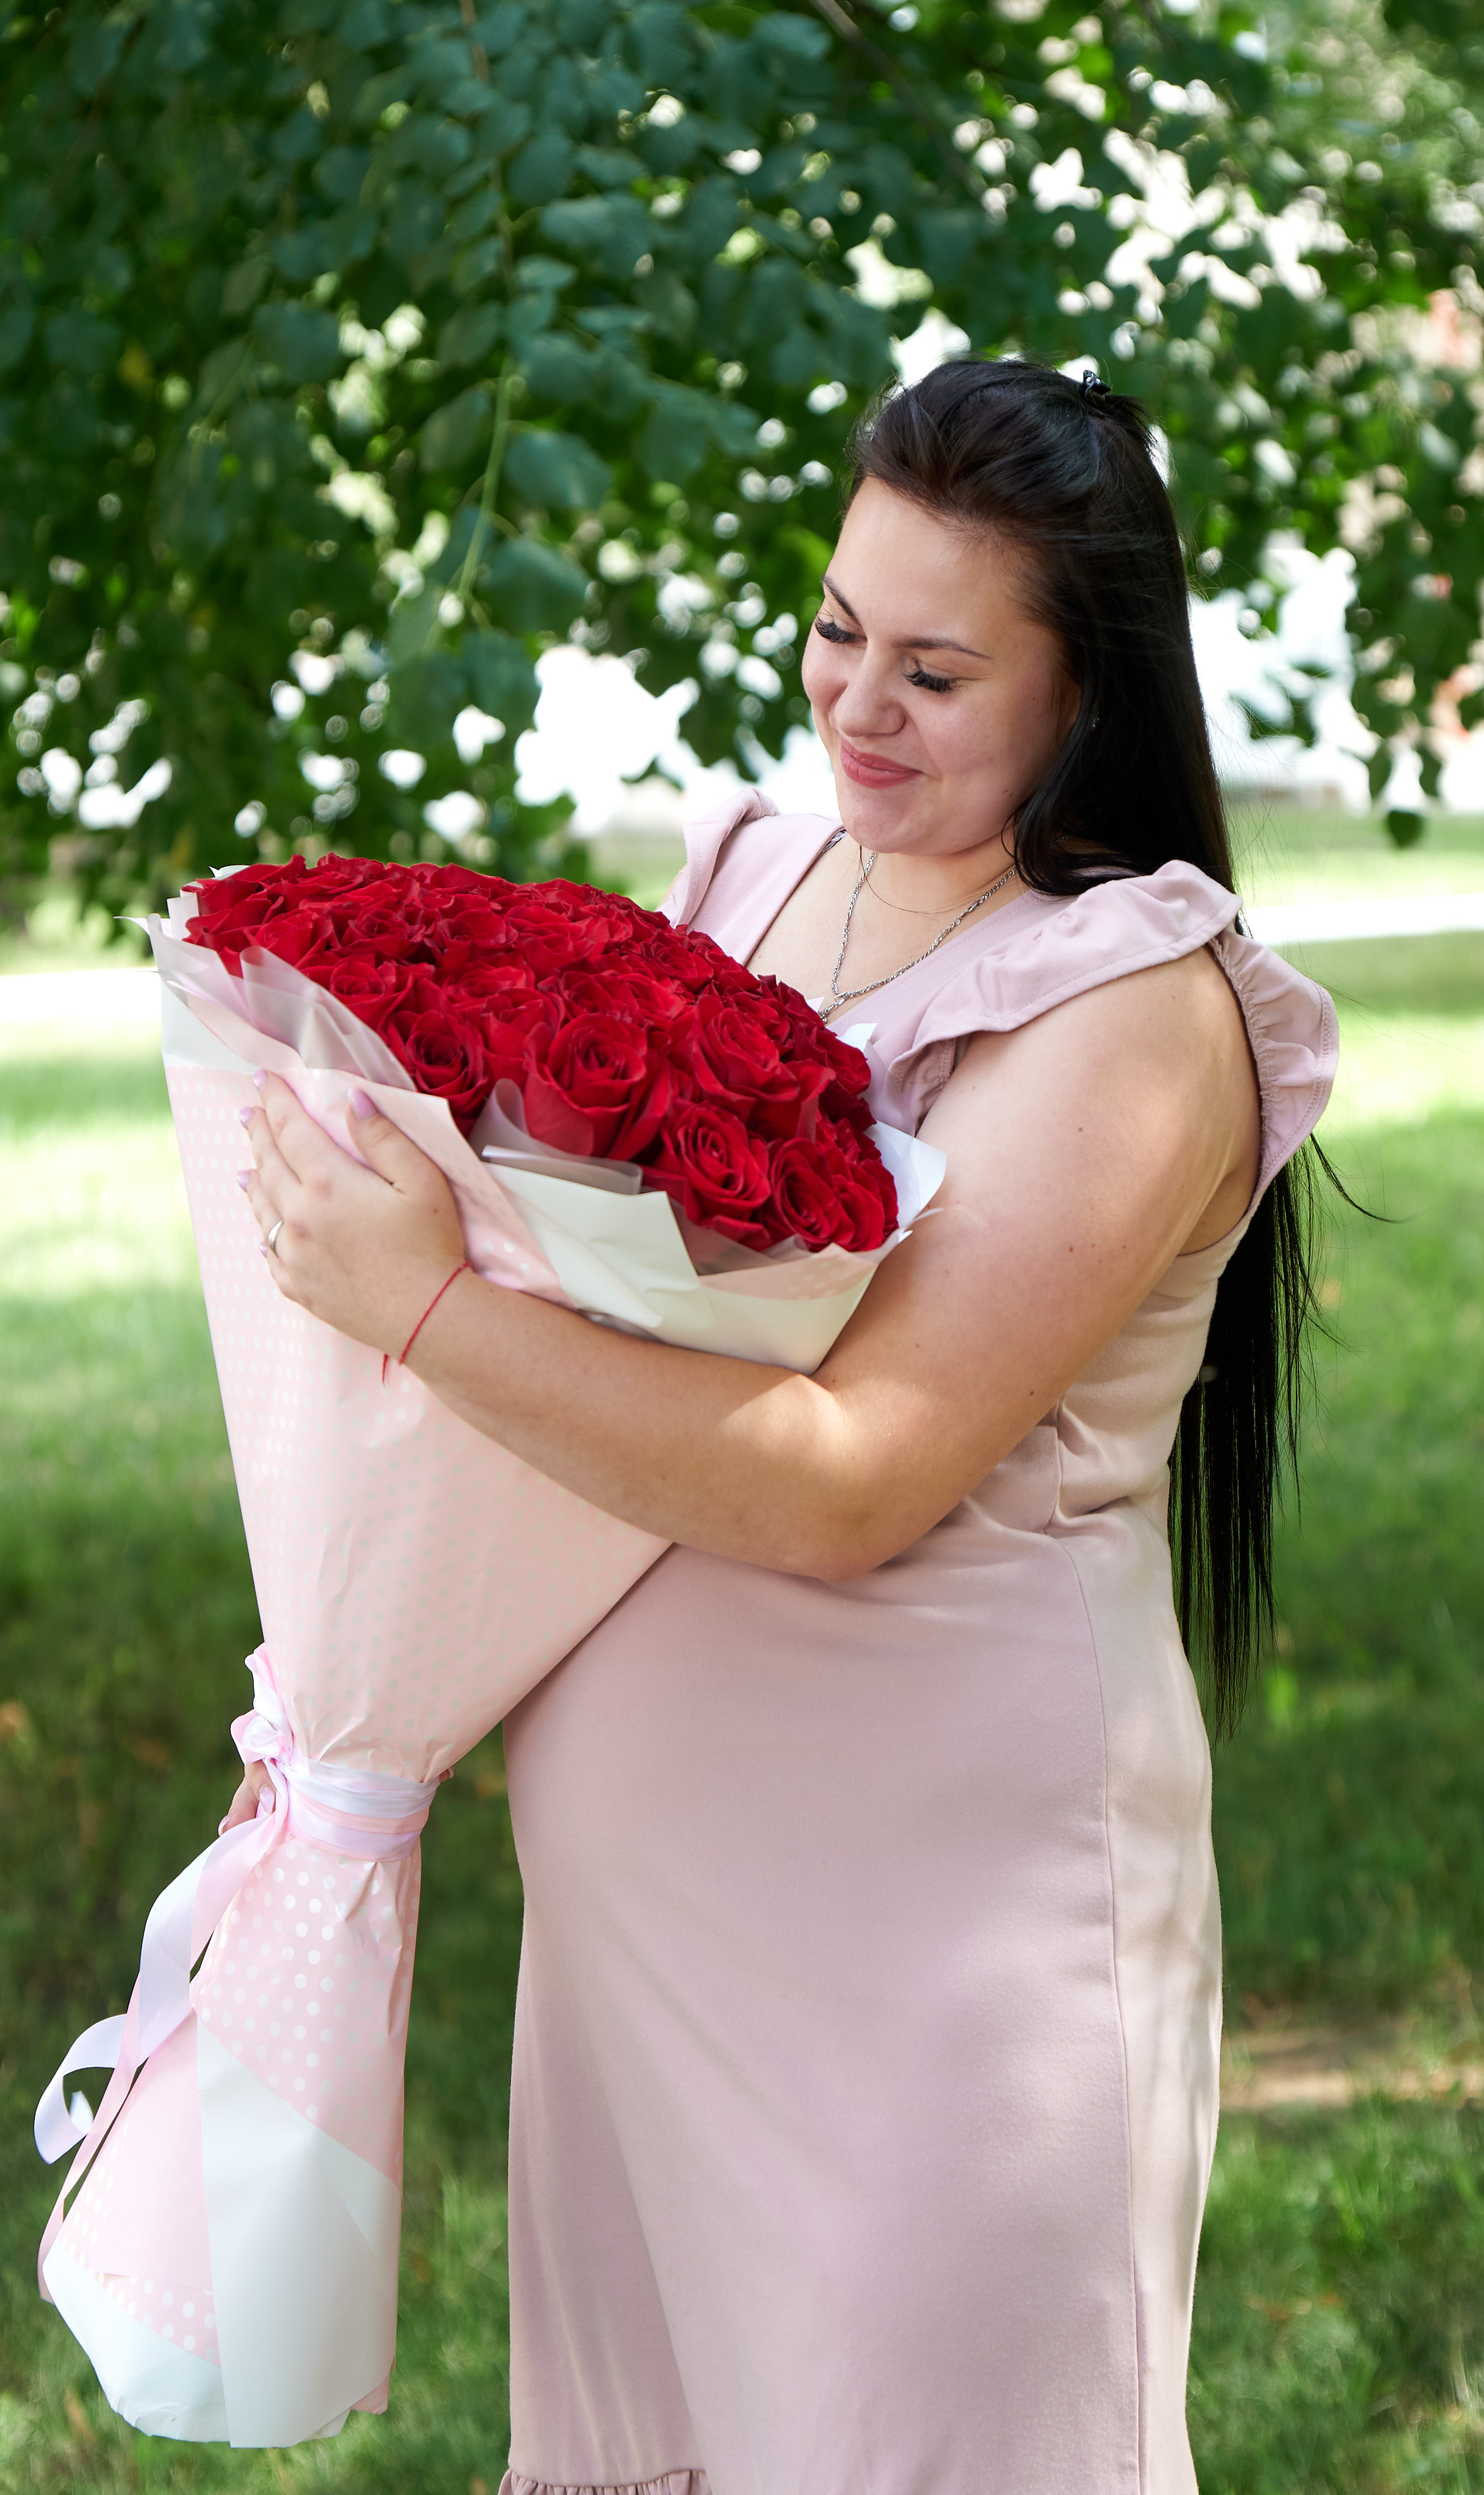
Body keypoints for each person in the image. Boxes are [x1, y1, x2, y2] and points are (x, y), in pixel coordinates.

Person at [235, 358, 1338, 2495]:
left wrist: (425, 1306)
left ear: (1088, 691)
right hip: (647, 1949)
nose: (859, 704)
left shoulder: (1127, 1006)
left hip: (939, 1959)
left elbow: (849, 1480)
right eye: (840, 629)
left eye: (938, 667)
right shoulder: (749, 869)